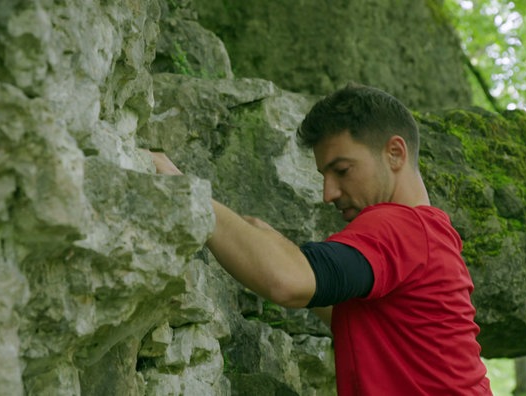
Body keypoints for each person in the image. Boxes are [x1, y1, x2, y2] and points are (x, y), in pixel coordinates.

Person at [149, 84, 492, 395]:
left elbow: (288, 281)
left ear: (395, 153)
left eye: (342, 171)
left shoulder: (398, 225)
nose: (329, 193)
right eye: (324, 176)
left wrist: (187, 193)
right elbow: (368, 319)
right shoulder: (432, 234)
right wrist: (267, 243)